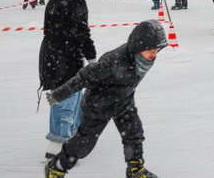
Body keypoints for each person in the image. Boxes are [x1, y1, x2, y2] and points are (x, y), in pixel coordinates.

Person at [44, 20, 168, 178]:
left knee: (134, 133)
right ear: (138, 46)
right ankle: (56, 167)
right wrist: (59, 95)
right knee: (84, 144)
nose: (154, 54)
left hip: (124, 100)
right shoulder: (113, 62)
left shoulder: (143, 59)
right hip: (99, 104)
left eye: (157, 50)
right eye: (151, 50)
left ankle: (135, 169)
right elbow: (84, 77)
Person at [39, 0, 98, 160]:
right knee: (68, 99)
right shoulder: (76, 2)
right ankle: (62, 146)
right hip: (67, 57)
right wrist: (91, 57)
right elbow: (81, 33)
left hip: (49, 55)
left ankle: (59, 141)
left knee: (59, 97)